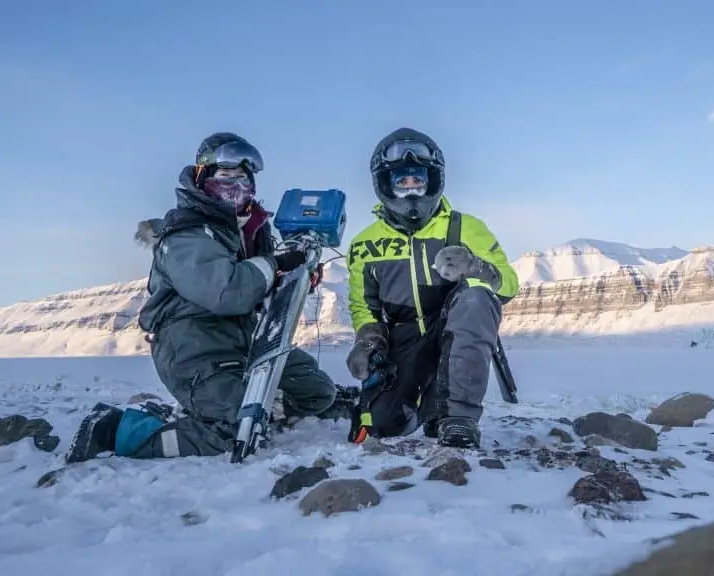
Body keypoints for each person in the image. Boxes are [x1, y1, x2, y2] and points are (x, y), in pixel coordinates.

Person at [65, 132, 344, 464]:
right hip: (191, 346)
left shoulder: (253, 230)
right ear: (203, 178)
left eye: (242, 177)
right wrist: (274, 264)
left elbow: (264, 287)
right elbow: (227, 292)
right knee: (235, 429)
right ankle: (120, 430)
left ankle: (236, 405)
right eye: (225, 176)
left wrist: (297, 276)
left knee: (318, 393)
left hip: (244, 339)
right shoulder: (186, 234)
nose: (235, 184)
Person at [344, 127, 519, 449]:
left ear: (432, 180)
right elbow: (363, 305)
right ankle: (428, 405)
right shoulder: (364, 243)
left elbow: (508, 286)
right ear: (385, 185)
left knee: (476, 298)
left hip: (455, 324)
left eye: (418, 179)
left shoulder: (466, 227)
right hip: (405, 334)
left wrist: (476, 267)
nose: (411, 188)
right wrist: (368, 341)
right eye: (401, 181)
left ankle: (458, 418)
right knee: (384, 424)